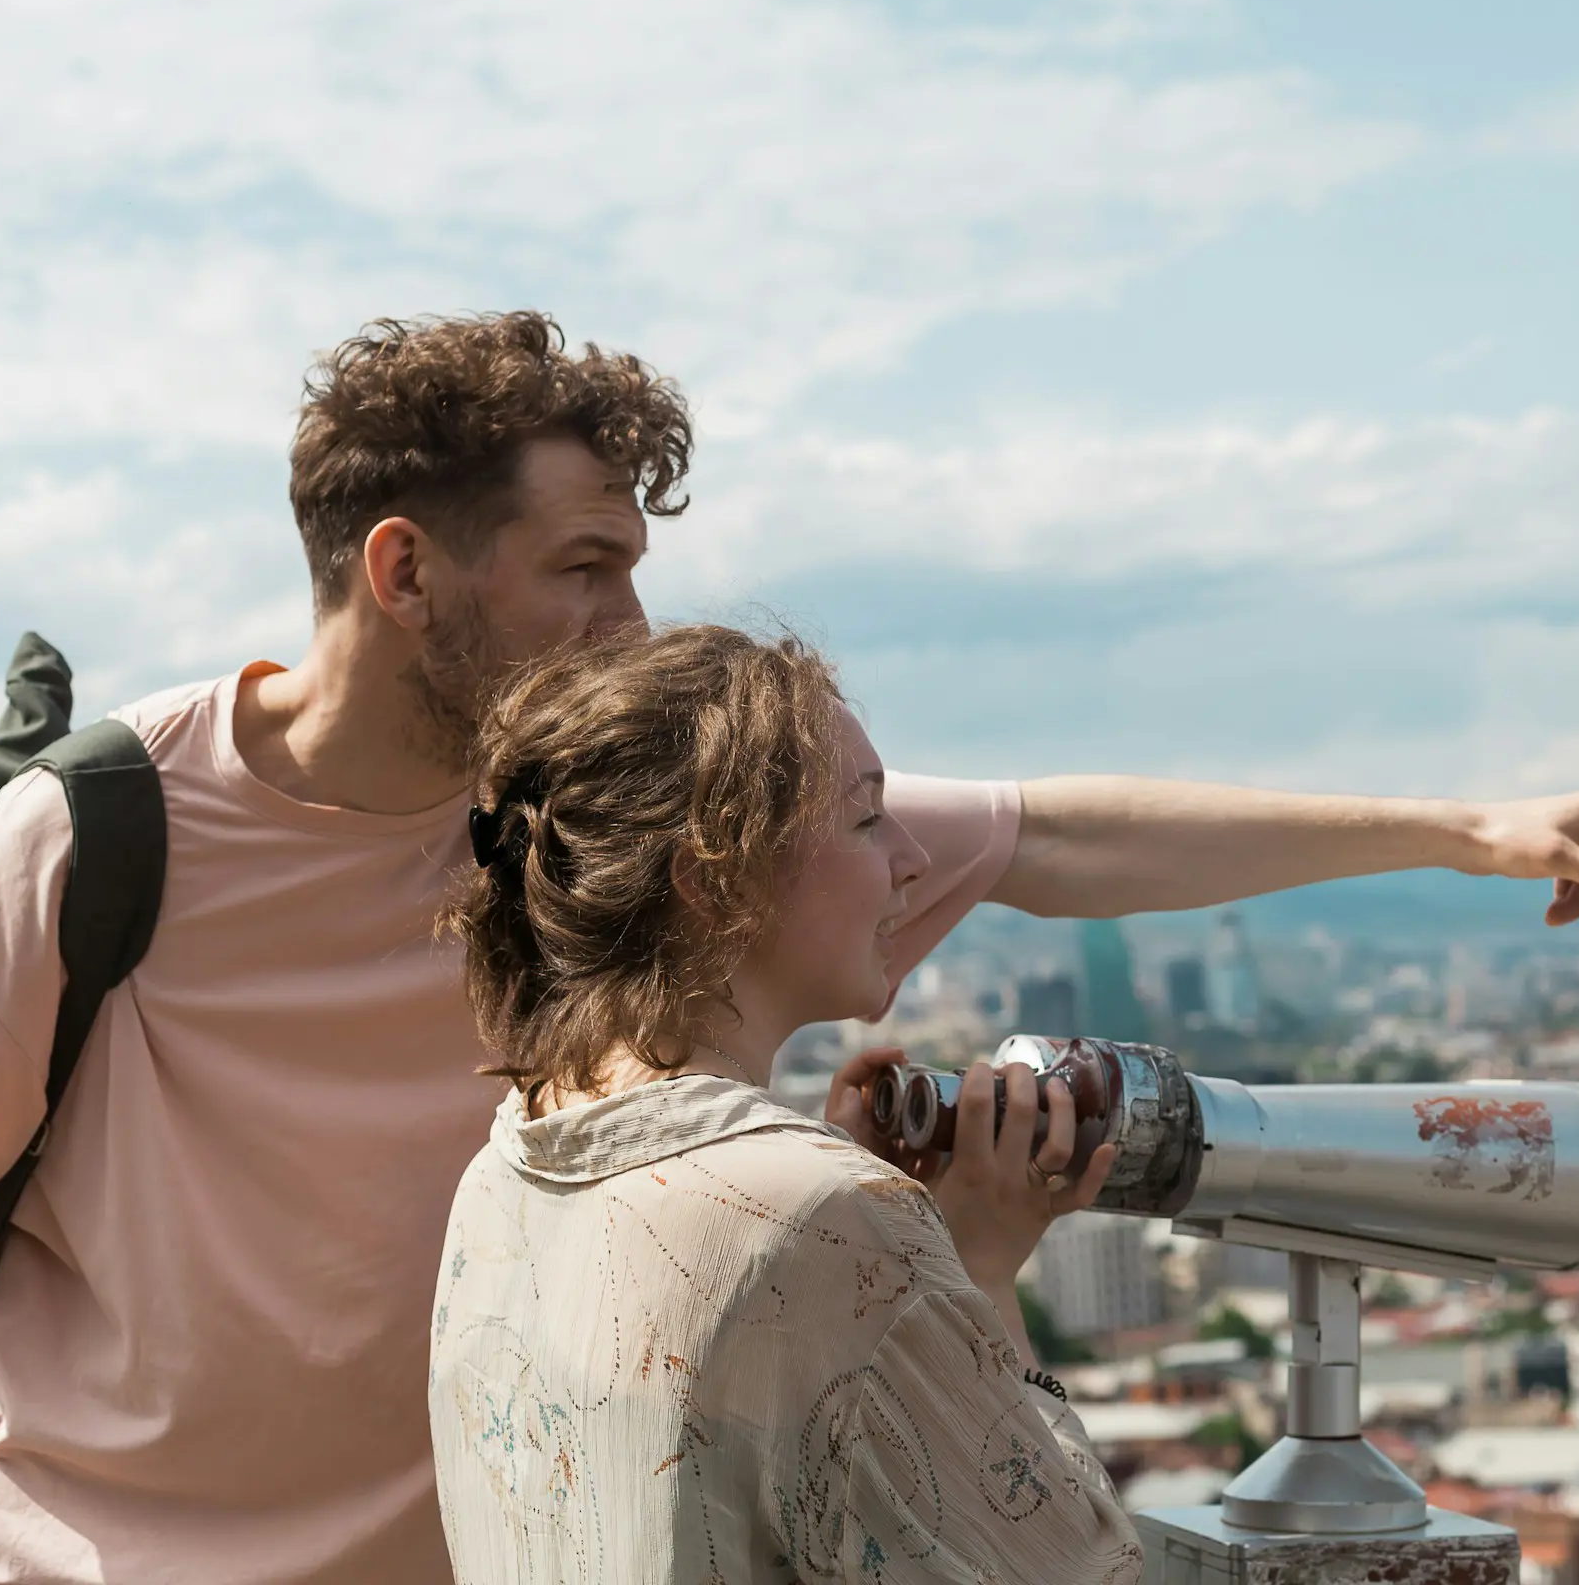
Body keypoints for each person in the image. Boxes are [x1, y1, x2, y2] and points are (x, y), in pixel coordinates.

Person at [0, 310, 1579, 1583]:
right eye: (584, 565)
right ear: (406, 572)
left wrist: (1457, 833)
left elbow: (1057, 837)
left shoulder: (608, 826)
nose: (630, 621)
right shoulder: (100, 841)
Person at [431, 623, 1139, 1584]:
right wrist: (972, 1270)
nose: (914, 857)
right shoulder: (824, 1217)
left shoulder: (504, 1168)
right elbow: (1077, 1570)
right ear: (712, 879)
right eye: (866, 818)